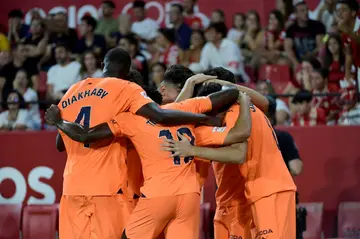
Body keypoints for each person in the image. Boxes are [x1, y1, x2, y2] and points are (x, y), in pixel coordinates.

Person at [44, 48, 227, 239]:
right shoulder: (126, 91)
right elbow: (160, 115)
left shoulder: (73, 89)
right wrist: (202, 118)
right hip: (111, 189)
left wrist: (60, 122)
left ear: (101, 66)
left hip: (72, 188)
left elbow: (60, 143)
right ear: (127, 71)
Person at [165, 80, 297, 239]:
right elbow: (264, 101)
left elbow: (239, 152)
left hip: (269, 191)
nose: (203, 118)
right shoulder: (248, 107)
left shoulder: (235, 114)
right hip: (255, 192)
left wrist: (192, 149)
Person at [285, 1, 326, 67]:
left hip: (314, 57)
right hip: (298, 59)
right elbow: (288, 48)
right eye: (302, 11)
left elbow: (321, 45)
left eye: (307, 10)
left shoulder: (318, 26)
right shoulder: (291, 29)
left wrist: (312, 54)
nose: (306, 12)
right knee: (286, 62)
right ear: (296, 14)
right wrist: (295, 63)